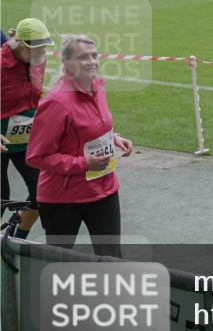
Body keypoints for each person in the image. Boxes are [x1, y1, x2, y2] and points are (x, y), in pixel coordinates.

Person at [26, 35, 133, 257]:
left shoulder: (98, 87)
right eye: (83, 57)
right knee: (59, 261)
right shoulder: (56, 102)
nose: (92, 61)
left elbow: (92, 125)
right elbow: (37, 156)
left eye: (94, 55)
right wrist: (84, 164)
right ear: (66, 63)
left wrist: (113, 137)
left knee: (112, 257)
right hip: (63, 197)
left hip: (104, 188)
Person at [1, 18, 54, 239]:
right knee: (1, 197)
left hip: (26, 138)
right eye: (35, 48)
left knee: (42, 193)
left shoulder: (38, 59)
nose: (40, 53)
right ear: (21, 44)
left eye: (43, 47)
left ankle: (15, 239)